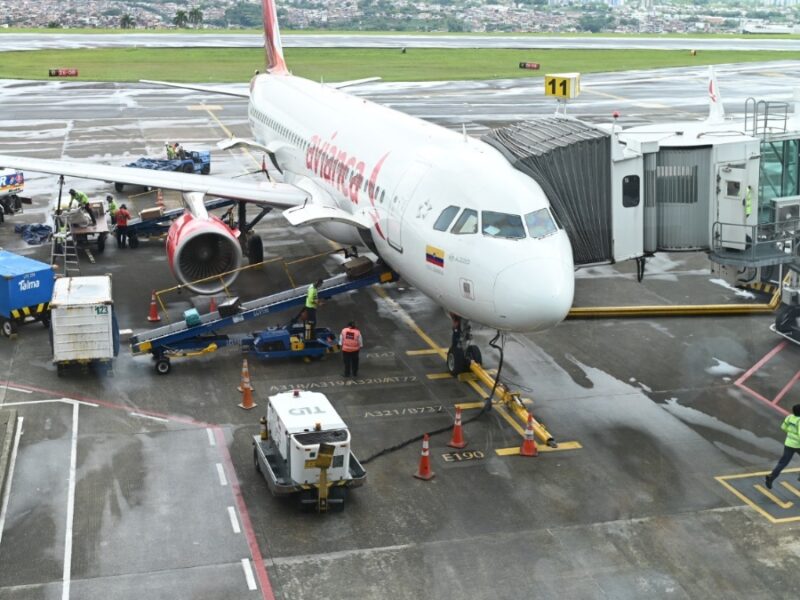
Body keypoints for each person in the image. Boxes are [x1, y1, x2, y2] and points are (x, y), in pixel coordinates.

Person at [765, 403, 800, 489]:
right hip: (798, 445)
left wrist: (791, 432)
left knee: (783, 463)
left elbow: (783, 427)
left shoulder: (789, 417)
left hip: (788, 444)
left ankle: (771, 477)